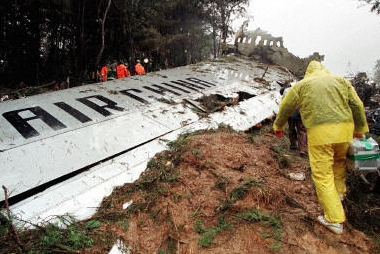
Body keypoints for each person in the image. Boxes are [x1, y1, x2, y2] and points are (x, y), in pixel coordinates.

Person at [273, 61, 369, 234]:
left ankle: (334, 220)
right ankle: (337, 196)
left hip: (321, 135)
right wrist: (360, 129)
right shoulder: (341, 81)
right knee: (339, 166)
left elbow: (286, 107)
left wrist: (278, 127)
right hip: (345, 132)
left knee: (322, 175)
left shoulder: (302, 85)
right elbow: (358, 105)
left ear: (309, 72)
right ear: (324, 70)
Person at [279, 82, 308, 155]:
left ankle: (293, 145)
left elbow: (283, 103)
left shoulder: (286, 91)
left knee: (291, 129)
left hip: (290, 112)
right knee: (302, 131)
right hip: (300, 112)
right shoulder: (303, 89)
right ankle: (302, 149)